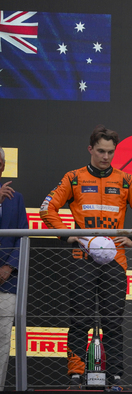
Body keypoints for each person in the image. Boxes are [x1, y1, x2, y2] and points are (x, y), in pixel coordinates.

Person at [40, 125, 132, 389]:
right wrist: (66, 234)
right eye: (101, 151)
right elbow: (48, 207)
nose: (106, 156)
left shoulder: (125, 179)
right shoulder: (74, 177)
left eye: (110, 152)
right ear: (90, 149)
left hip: (116, 260)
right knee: (79, 319)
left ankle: (114, 376)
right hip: (83, 256)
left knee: (113, 322)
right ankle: (76, 376)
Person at [0, 147, 28, 391]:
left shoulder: (15, 198)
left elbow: (22, 236)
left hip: (5, 283)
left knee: (1, 343)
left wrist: (9, 266)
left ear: (2, 165)